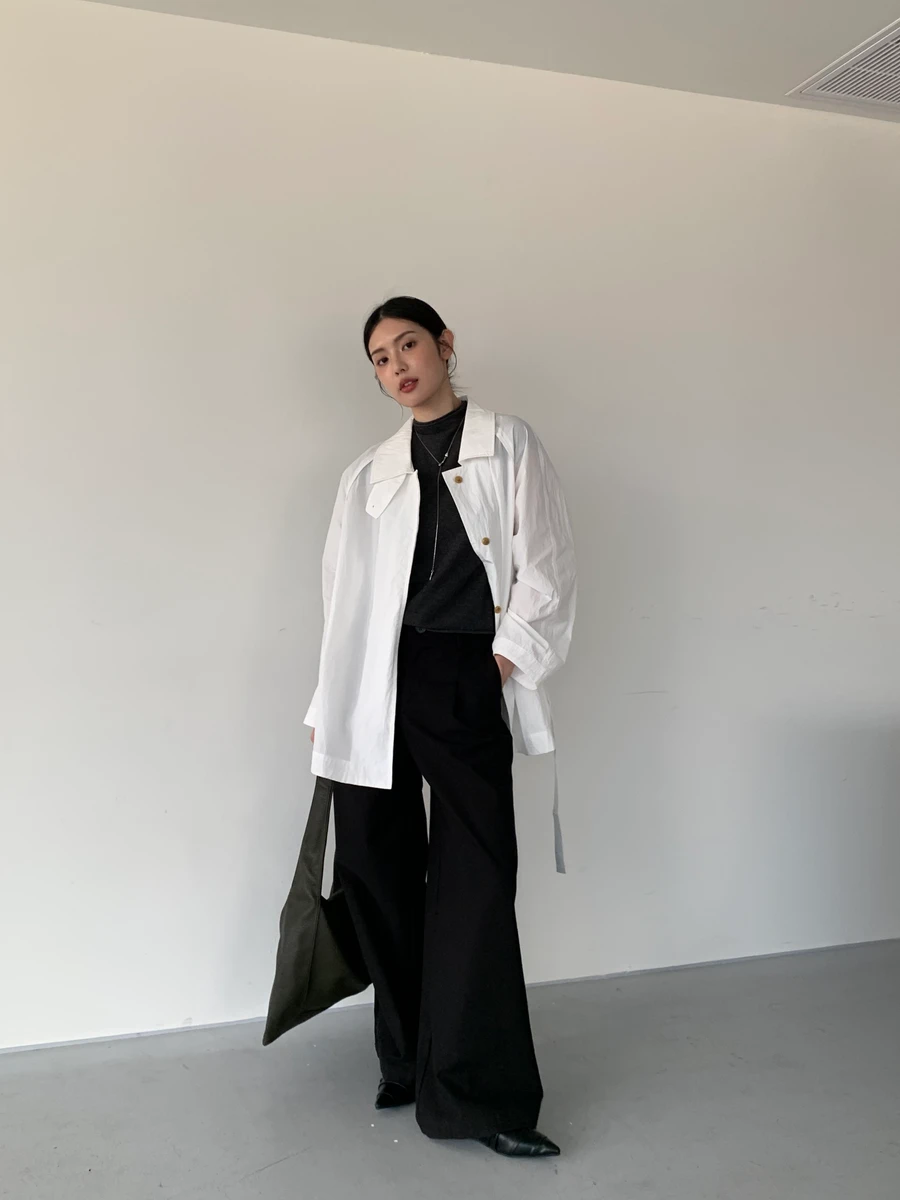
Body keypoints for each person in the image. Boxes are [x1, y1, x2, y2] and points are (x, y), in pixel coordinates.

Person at [305, 296, 576, 1158]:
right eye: (381, 359)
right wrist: (327, 705)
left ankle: (482, 1096)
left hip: (460, 671)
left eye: (408, 345)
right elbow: (340, 597)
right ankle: (407, 1059)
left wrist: (497, 665)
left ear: (445, 345)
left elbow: (547, 566)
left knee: (475, 881)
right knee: (378, 872)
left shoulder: (510, 443)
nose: (398, 367)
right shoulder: (366, 474)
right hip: (372, 684)